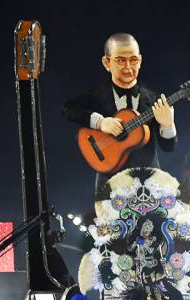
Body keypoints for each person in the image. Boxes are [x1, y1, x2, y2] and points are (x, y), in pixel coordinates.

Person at [62, 33, 177, 189]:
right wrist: (100, 122)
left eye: (133, 60)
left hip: (150, 183)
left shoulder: (154, 100)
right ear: (106, 62)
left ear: (140, 61)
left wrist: (168, 126)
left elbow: (168, 148)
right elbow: (68, 108)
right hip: (109, 183)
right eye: (120, 60)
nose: (128, 67)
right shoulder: (97, 95)